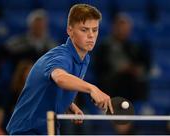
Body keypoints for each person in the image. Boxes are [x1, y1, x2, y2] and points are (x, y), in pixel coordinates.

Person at [6, 4, 114, 135]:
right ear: (70, 30)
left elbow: (49, 84)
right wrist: (92, 88)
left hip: (48, 129)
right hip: (27, 130)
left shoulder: (84, 59)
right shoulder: (61, 56)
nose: (91, 35)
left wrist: (68, 104)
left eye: (95, 30)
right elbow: (59, 78)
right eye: (84, 30)